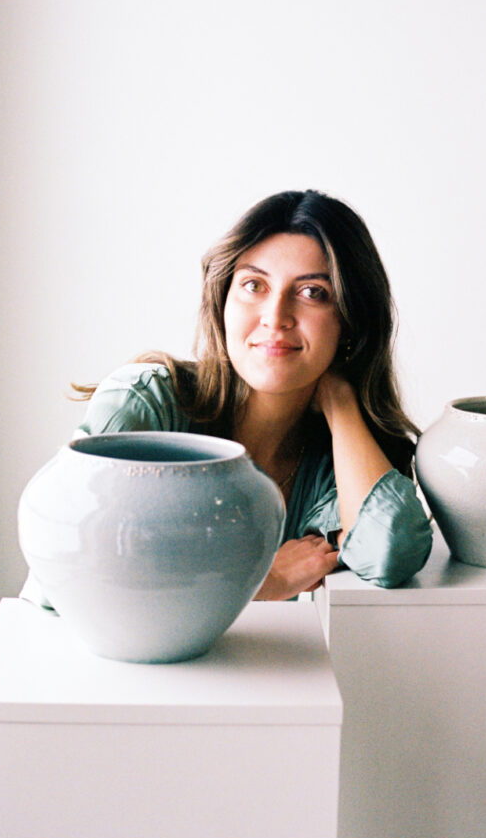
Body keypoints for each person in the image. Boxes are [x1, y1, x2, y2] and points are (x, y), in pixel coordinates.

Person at [25, 190, 432, 604]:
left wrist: (340, 400)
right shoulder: (148, 404)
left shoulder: (340, 460)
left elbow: (389, 551)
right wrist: (259, 582)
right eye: (254, 285)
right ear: (222, 301)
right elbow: (68, 562)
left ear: (350, 321)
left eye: (312, 293)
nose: (275, 316)